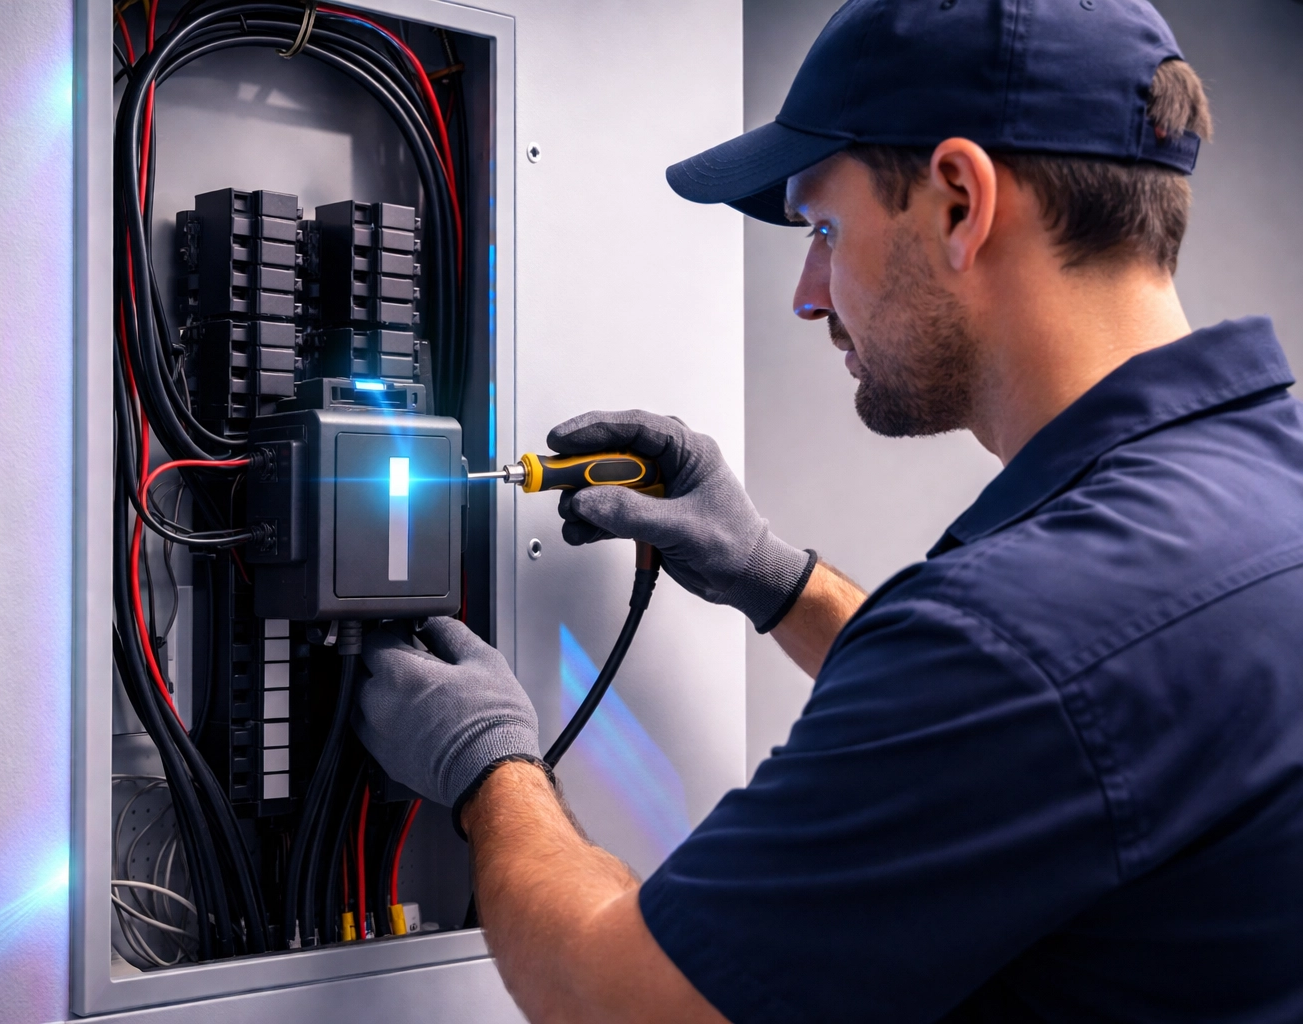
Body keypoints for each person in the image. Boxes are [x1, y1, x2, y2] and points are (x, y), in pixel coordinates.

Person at [352, 1, 1303, 1020]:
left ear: (958, 201)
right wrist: (779, 579)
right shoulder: (1260, 490)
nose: (808, 295)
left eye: (823, 228)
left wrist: (489, 763)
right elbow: (1071, 721)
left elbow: (616, 997)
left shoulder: (1026, 634)